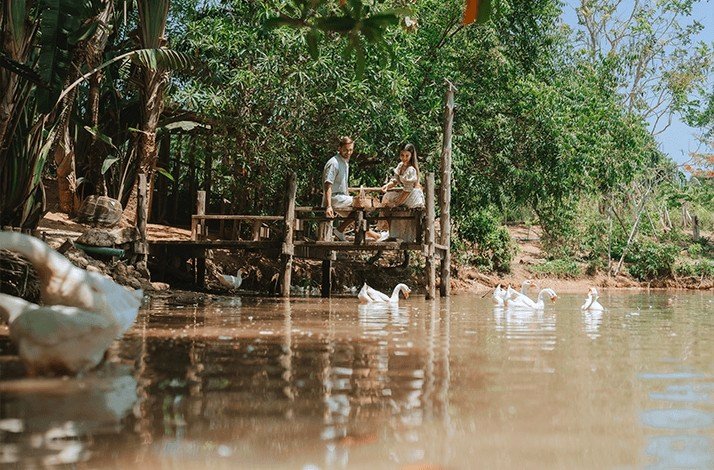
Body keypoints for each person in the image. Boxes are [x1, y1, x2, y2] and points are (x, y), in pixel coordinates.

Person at [323, 136, 355, 240]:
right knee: (361, 204)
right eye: (346, 150)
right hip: (334, 198)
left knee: (359, 213)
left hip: (341, 197)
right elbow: (328, 184)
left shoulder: (345, 162)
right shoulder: (334, 163)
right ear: (339, 148)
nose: (348, 152)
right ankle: (339, 230)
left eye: (350, 150)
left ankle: (376, 236)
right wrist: (328, 206)